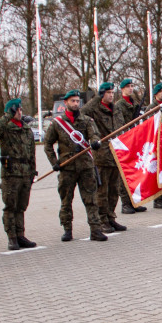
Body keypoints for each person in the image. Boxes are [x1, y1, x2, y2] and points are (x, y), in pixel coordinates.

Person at [44, 90, 106, 241]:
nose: (76, 104)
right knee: (66, 201)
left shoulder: (87, 121)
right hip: (67, 168)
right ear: (65, 103)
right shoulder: (58, 123)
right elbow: (47, 144)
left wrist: (95, 142)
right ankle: (67, 230)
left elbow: (94, 134)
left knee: (91, 199)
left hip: (86, 167)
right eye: (73, 101)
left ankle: (95, 229)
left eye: (78, 101)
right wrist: (55, 162)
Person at [0, 98, 38, 250]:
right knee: (10, 206)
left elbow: (31, 153)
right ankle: (12, 237)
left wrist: (32, 172)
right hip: (11, 174)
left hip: (25, 173)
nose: (20, 112)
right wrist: (7, 115)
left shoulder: (26, 129)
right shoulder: (5, 128)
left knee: (21, 206)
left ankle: (20, 235)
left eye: (20, 110)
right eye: (17, 110)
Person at [82, 82, 127, 232]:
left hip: (117, 154)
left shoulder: (117, 110)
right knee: (102, 190)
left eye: (112, 93)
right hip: (102, 155)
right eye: (107, 92)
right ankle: (102, 220)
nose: (111, 95)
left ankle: (110, 217)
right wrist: (96, 98)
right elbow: (83, 112)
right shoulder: (95, 110)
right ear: (102, 94)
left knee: (114, 190)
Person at [113, 78, 146, 214]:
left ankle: (134, 201)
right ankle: (126, 203)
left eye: (132, 86)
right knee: (124, 174)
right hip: (125, 141)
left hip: (134, 140)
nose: (130, 88)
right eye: (127, 86)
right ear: (122, 89)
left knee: (134, 172)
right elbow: (120, 124)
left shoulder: (134, 103)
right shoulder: (119, 105)